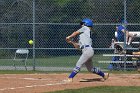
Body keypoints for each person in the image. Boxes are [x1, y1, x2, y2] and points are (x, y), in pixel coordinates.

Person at [65, 18, 109, 82]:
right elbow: (78, 47)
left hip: (87, 50)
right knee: (90, 69)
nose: (81, 25)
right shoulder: (83, 35)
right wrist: (71, 42)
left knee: (78, 64)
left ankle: (70, 78)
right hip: (87, 51)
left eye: (83, 23)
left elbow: (75, 32)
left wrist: (69, 37)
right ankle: (104, 75)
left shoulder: (86, 28)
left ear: (86, 24)